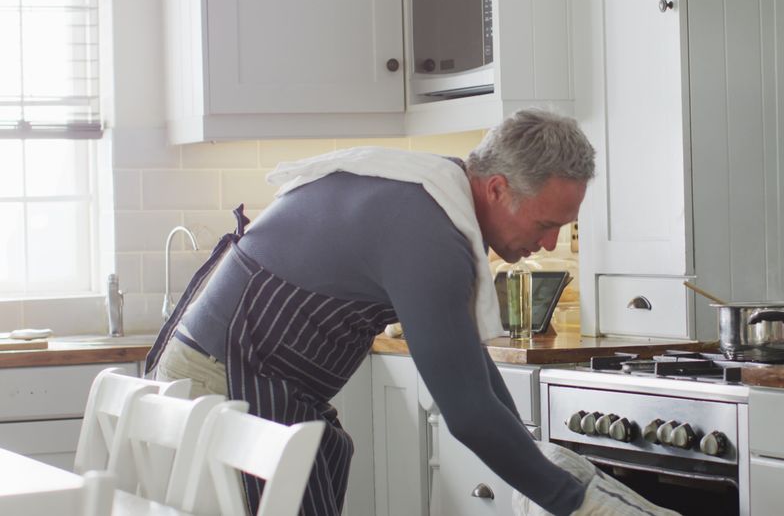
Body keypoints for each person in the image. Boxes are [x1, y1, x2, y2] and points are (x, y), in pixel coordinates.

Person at [144, 109, 595, 516]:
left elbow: (471, 371)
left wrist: (537, 459)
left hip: (231, 378)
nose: (551, 243)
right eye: (546, 224)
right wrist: (580, 506)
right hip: (224, 388)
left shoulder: (427, 197)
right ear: (498, 188)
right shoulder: (427, 235)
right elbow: (469, 412)